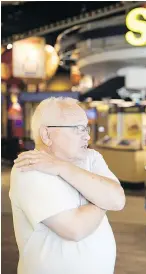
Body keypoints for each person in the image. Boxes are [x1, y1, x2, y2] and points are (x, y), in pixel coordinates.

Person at [10, 97, 126, 274]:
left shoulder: (91, 157)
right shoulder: (29, 167)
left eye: (86, 127)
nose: (87, 135)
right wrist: (100, 197)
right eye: (77, 128)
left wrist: (62, 167)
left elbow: (117, 200)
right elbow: (75, 228)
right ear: (47, 135)